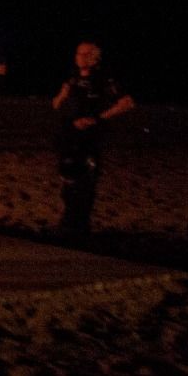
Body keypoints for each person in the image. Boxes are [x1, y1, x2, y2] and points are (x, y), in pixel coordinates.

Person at [51, 40, 133, 233]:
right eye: (79, 53)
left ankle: (81, 222)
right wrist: (62, 96)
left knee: (86, 178)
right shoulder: (72, 78)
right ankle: (68, 220)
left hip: (91, 135)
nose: (82, 57)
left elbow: (127, 103)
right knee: (68, 176)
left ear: (97, 57)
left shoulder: (105, 79)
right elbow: (56, 104)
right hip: (69, 133)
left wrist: (97, 118)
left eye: (88, 54)